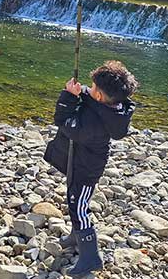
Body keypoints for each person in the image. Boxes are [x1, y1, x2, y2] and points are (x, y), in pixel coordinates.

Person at [43, 60, 138, 277]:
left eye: (93, 87)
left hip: (86, 169)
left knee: (79, 206)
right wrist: (80, 92)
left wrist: (68, 96)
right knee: (73, 198)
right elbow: (88, 97)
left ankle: (90, 256)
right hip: (79, 161)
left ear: (99, 97)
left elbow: (63, 121)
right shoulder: (111, 107)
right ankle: (76, 237)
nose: (89, 88)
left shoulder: (94, 126)